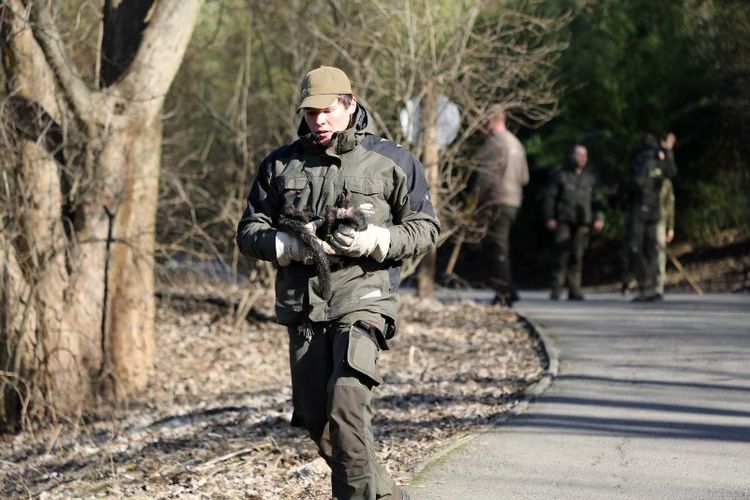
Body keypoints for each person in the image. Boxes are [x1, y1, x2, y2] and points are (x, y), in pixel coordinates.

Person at [236, 66, 439, 500]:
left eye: (327, 111)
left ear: (350, 104)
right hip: (305, 308)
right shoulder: (279, 164)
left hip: (363, 299)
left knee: (346, 406)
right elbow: (248, 232)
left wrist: (376, 240)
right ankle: (387, 496)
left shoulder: (393, 162)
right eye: (310, 113)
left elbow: (426, 228)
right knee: (318, 420)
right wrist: (287, 245)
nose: (319, 121)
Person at [472, 104, 529, 306]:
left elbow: (485, 177)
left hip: (497, 200)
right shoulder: (516, 143)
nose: (485, 125)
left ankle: (504, 292)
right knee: (502, 246)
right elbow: (524, 177)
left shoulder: (495, 143)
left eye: (487, 120)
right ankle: (509, 289)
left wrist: (475, 199)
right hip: (514, 201)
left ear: (495, 119)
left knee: (496, 248)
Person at [543, 145, 605, 300]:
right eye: (579, 155)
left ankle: (574, 289)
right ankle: (556, 288)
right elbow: (550, 197)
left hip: (583, 221)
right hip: (563, 220)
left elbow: (597, 200)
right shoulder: (561, 175)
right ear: (572, 156)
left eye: (584, 155)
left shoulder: (590, 178)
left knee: (578, 255)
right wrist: (549, 217)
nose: (582, 159)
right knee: (562, 253)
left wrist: (599, 217)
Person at [628, 132, 677, 302]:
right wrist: (667, 152)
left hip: (645, 212)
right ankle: (649, 286)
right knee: (648, 249)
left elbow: (635, 184)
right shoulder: (656, 161)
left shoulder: (643, 161)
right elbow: (671, 170)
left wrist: (666, 153)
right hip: (652, 211)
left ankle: (647, 286)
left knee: (641, 248)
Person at [655, 177, 676, 297]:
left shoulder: (666, 182)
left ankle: (659, 287)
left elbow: (670, 204)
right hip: (644, 222)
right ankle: (648, 286)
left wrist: (671, 226)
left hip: (660, 223)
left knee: (660, 256)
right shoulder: (643, 174)